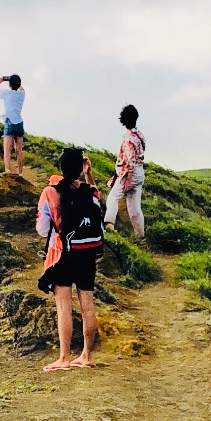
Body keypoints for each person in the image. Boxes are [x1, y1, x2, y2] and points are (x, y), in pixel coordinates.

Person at [36, 146, 105, 371]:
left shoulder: (50, 192)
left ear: (61, 167)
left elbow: (41, 229)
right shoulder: (90, 191)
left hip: (63, 254)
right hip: (86, 253)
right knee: (87, 305)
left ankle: (64, 358)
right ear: (80, 167)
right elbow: (97, 197)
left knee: (64, 306)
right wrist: (88, 174)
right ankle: (86, 355)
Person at [105, 104, 146, 238]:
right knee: (134, 208)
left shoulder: (128, 139)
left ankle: (109, 224)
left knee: (113, 197)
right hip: (140, 173)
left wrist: (127, 179)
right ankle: (140, 236)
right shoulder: (140, 135)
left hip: (129, 174)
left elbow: (130, 161)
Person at [0, 73, 26, 174]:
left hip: (10, 122)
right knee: (19, 150)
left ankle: (7, 170)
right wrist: (14, 81)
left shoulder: (7, 93)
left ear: (10, 84)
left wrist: (1, 80)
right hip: (19, 122)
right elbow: (21, 88)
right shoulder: (22, 94)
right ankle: (20, 172)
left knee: (7, 149)